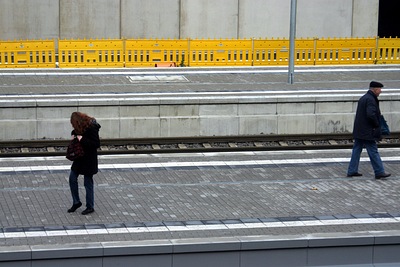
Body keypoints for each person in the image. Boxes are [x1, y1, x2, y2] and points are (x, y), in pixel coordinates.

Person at [347, 81, 391, 180]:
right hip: (367, 131)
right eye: (380, 89)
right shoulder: (371, 99)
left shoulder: (364, 98)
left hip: (360, 130)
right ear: (375, 89)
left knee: (356, 150)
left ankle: (352, 170)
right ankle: (379, 171)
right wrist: (376, 124)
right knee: (373, 150)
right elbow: (371, 114)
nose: (381, 91)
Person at [67, 112, 101, 215]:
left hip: (89, 159)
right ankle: (76, 202)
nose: (73, 126)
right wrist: (73, 136)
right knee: (72, 178)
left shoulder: (92, 127)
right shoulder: (79, 127)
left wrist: (82, 139)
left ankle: (90, 206)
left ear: (77, 122)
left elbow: (96, 144)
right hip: (79, 157)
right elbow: (76, 133)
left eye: (73, 124)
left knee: (88, 182)